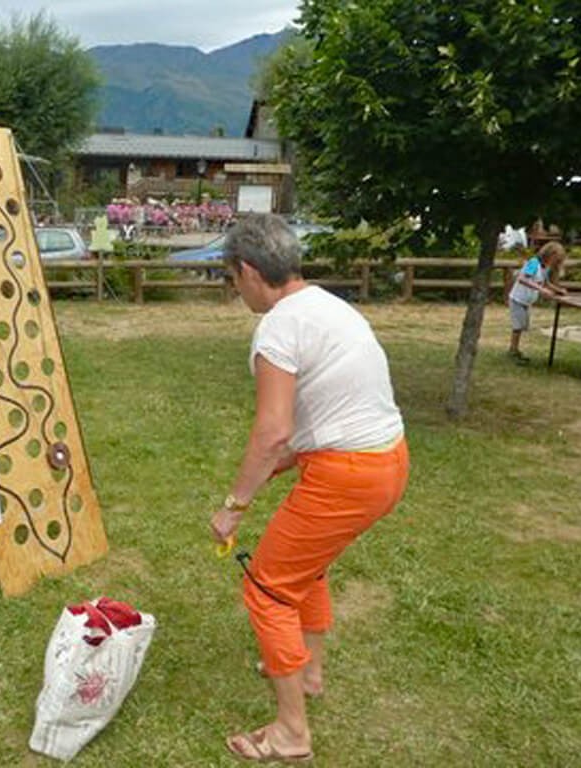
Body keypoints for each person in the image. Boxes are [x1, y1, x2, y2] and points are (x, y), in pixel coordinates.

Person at [209, 213, 409, 762]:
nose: (236, 289)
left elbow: (273, 431)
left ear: (249, 271)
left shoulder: (277, 325)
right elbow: (326, 414)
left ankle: (291, 733)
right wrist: (279, 463)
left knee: (268, 589)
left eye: (233, 278)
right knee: (307, 566)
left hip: (348, 474)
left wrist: (234, 506)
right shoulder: (329, 305)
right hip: (388, 462)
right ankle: (311, 672)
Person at [508, 241, 567, 364]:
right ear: (550, 254)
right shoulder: (534, 263)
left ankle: (515, 349)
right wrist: (541, 290)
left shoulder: (544, 267)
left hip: (526, 301)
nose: (555, 263)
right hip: (517, 299)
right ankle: (513, 351)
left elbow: (545, 283)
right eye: (555, 259)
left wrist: (557, 290)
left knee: (523, 325)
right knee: (518, 326)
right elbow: (523, 279)